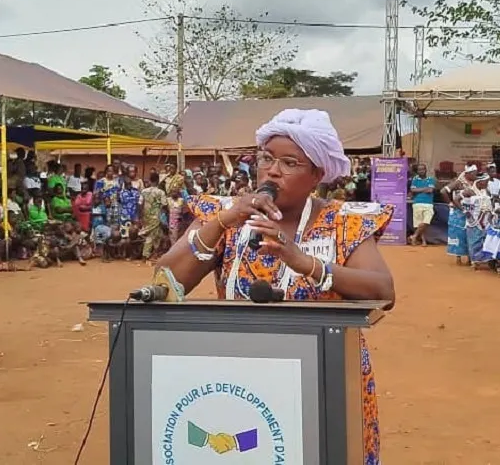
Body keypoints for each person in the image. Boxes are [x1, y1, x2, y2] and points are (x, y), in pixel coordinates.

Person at [156, 108, 395, 463]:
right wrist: (223, 222)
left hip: (322, 377)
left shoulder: (343, 222)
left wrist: (303, 262)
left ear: (317, 174)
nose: (272, 170)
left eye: (289, 163)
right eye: (266, 158)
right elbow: (166, 282)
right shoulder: (225, 214)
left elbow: (383, 292)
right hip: (236, 379)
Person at [409, 164, 436, 246]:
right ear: (417, 171)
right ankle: (423, 241)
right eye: (419, 170)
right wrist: (425, 189)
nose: (421, 171)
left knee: (426, 222)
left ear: (426, 170)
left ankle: (414, 236)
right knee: (419, 224)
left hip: (428, 203)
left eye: (423, 169)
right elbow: (412, 190)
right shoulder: (415, 179)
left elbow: (430, 190)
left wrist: (418, 190)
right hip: (417, 203)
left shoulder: (431, 179)